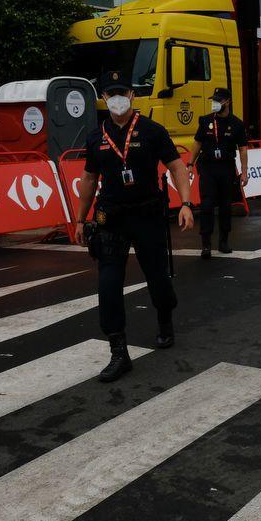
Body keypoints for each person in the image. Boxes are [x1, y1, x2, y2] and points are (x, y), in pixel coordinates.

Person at [75, 71, 194, 383]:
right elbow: (89, 179)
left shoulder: (152, 131)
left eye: (122, 92)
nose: (116, 98)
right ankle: (118, 351)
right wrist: (79, 219)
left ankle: (165, 319)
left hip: (147, 216)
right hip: (110, 218)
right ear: (103, 98)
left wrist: (185, 203)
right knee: (108, 283)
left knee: (157, 276)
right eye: (110, 93)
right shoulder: (95, 137)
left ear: (132, 95)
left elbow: (177, 166)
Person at [189, 87, 249, 258]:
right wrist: (190, 164)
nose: (215, 103)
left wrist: (244, 172)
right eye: (213, 100)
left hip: (226, 168)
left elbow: (243, 150)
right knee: (207, 205)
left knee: (225, 206)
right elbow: (197, 144)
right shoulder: (205, 121)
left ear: (228, 101)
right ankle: (206, 243)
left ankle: (223, 241)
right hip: (207, 167)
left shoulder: (237, 124)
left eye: (218, 100)